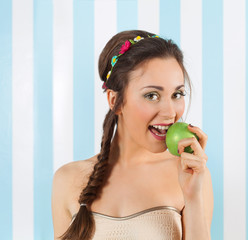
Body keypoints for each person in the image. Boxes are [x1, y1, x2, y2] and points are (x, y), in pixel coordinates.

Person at [52, 30, 213, 240]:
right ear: (114, 100)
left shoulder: (191, 174)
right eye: (152, 95)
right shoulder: (67, 180)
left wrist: (192, 196)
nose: (170, 112)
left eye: (177, 94)